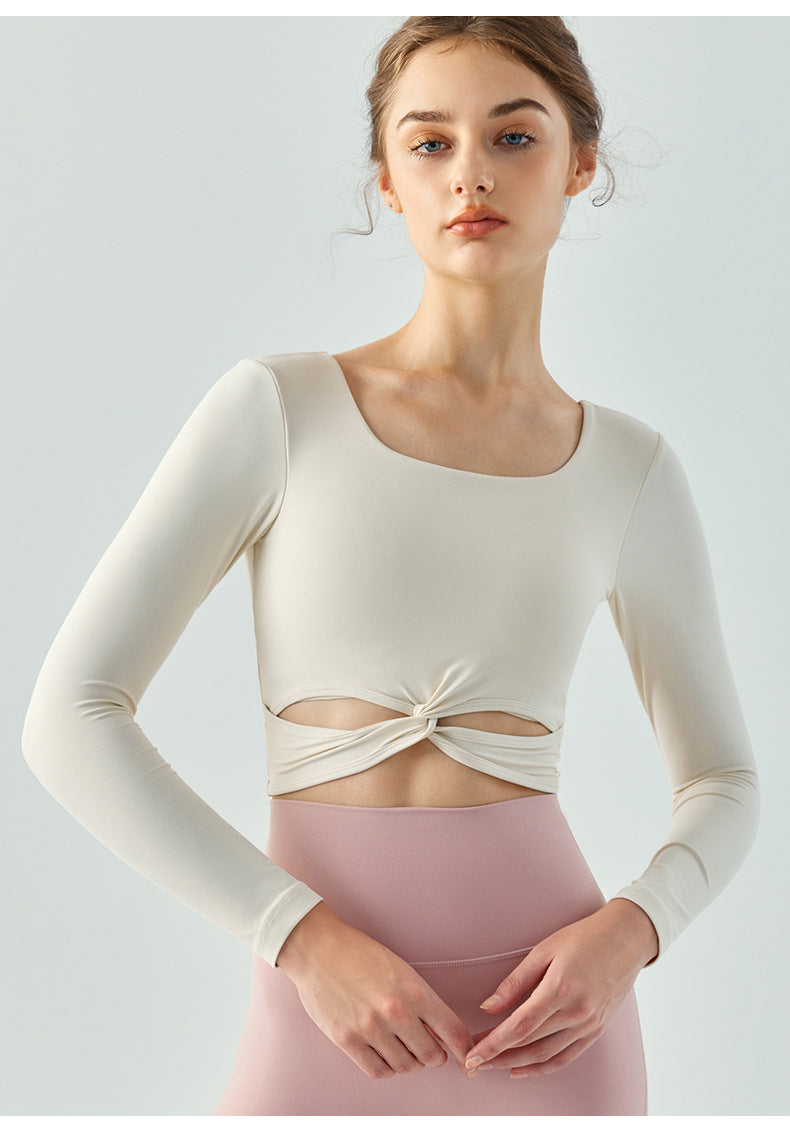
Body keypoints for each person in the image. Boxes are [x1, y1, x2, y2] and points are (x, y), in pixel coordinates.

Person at [21, 16, 760, 1117]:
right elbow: (69, 718)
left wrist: (629, 933)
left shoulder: (629, 469)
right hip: (321, 1013)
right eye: (429, 143)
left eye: (515, 136)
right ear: (387, 180)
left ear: (580, 164)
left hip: (552, 1031)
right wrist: (300, 938)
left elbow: (724, 782)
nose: (471, 174)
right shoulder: (280, 411)